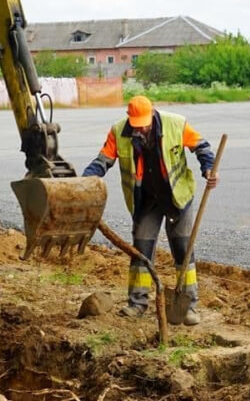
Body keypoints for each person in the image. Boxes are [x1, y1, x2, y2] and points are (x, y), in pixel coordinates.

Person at [82, 95, 218, 325]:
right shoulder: (119, 132)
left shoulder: (176, 124)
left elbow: (202, 147)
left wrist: (209, 169)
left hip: (177, 197)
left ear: (152, 113)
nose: (142, 128)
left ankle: (188, 306)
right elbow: (103, 161)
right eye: (137, 124)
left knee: (183, 250)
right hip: (145, 201)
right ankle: (137, 304)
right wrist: (85, 180)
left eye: (144, 123)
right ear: (129, 118)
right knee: (141, 250)